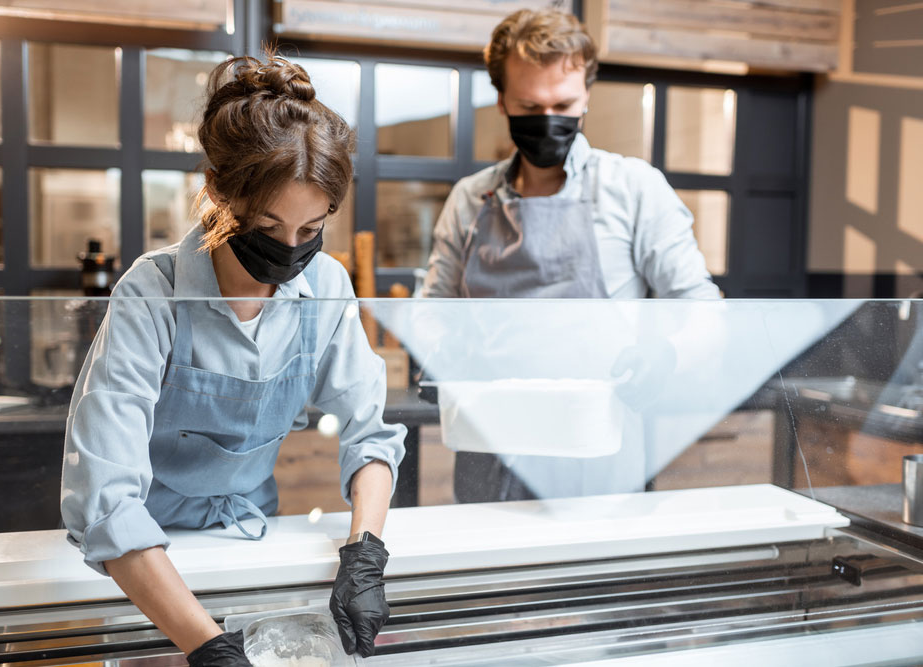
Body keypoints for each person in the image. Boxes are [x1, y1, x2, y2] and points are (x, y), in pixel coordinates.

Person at [60, 55, 406, 664]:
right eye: (269, 225)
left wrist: (366, 553)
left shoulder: (325, 286)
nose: (291, 249)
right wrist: (209, 648)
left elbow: (371, 435)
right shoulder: (154, 292)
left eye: (311, 228)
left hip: (252, 545)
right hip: (143, 572)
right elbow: (106, 500)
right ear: (219, 192)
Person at [421, 8, 720, 503]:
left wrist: (667, 355)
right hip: (488, 448)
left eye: (563, 104)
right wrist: (438, 349)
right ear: (500, 101)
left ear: (586, 98)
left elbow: (706, 309)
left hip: (599, 449)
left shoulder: (634, 189)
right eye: (529, 105)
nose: (547, 121)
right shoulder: (470, 198)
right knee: (492, 578)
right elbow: (431, 305)